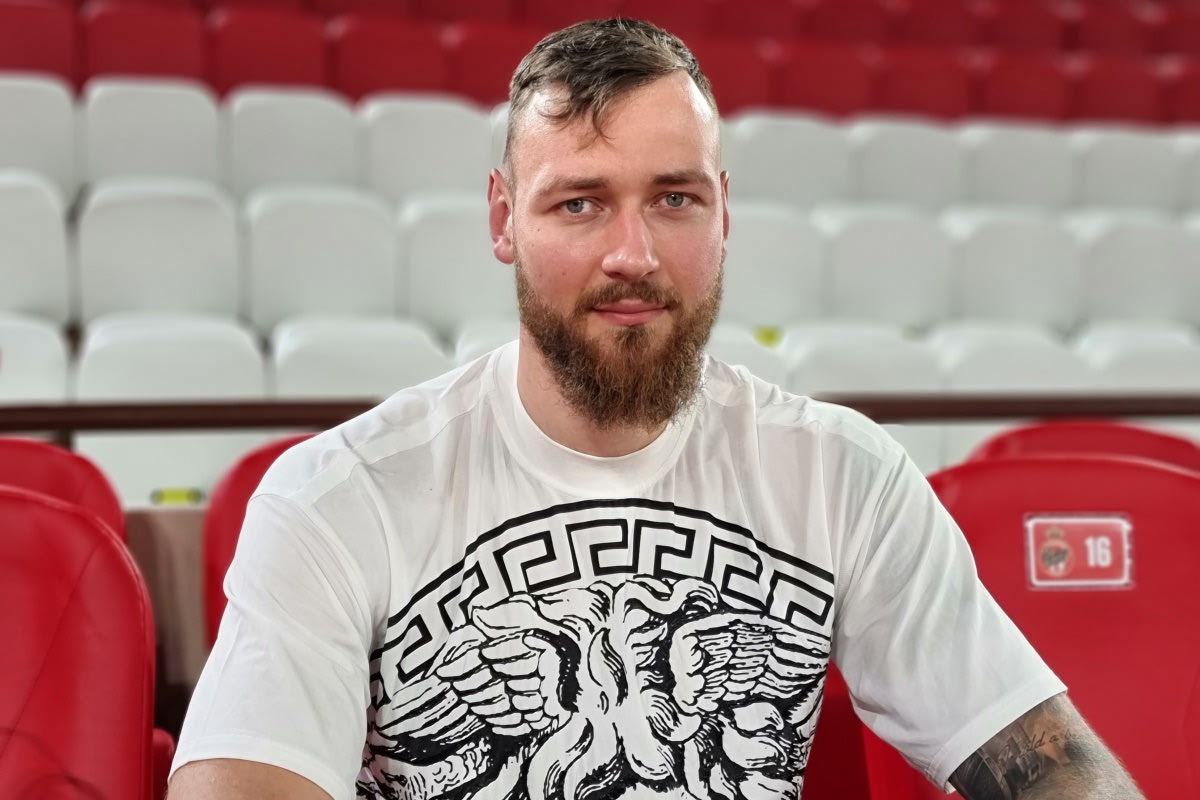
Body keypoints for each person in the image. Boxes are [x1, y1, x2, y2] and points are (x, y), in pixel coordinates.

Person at [167, 17, 1144, 800]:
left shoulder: (844, 475)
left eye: (673, 199)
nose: (632, 253)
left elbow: (1048, 762)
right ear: (504, 218)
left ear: (723, 211)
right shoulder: (339, 495)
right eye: (579, 203)